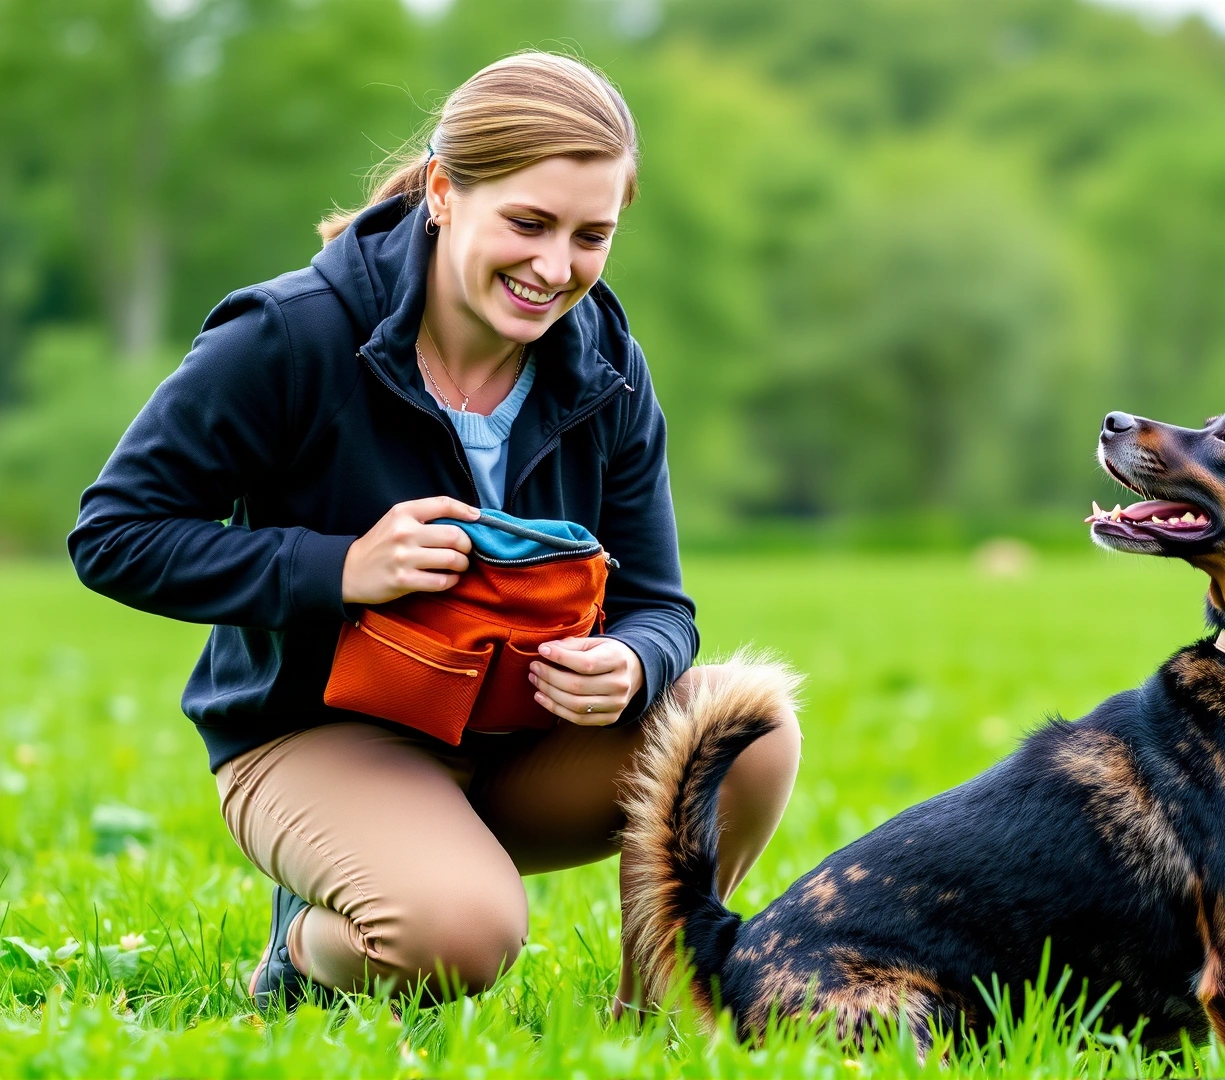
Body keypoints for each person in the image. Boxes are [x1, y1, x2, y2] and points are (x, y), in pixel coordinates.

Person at [67, 51, 801, 1011]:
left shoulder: (609, 367)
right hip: (319, 737)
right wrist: (341, 568)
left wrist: (632, 663)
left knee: (746, 730)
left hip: (520, 743)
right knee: (457, 939)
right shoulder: (289, 336)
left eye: (592, 235)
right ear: (447, 194)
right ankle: (309, 947)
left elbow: (659, 604)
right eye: (528, 223)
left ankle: (655, 1017)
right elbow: (115, 532)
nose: (554, 267)